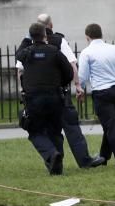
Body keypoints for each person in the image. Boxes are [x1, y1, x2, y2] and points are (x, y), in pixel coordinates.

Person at [16, 14, 105, 169]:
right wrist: (70, 85)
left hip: (34, 96)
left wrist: (24, 89)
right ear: (49, 26)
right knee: (68, 127)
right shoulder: (58, 43)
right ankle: (83, 160)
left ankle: (54, 160)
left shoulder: (26, 50)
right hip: (58, 94)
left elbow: (19, 71)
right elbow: (71, 67)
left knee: (43, 130)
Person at [16, 22, 75, 175]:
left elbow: (18, 54)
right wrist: (59, 83)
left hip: (34, 99)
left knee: (35, 131)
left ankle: (51, 154)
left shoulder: (26, 53)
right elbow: (69, 72)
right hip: (54, 96)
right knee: (55, 131)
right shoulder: (54, 52)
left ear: (31, 37)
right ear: (45, 35)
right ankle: (57, 166)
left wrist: (26, 39)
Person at [77, 23, 115, 167]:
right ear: (101, 34)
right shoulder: (114, 49)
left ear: (87, 37)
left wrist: (81, 89)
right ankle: (103, 156)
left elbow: (83, 76)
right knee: (109, 125)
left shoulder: (87, 53)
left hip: (101, 93)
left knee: (110, 127)